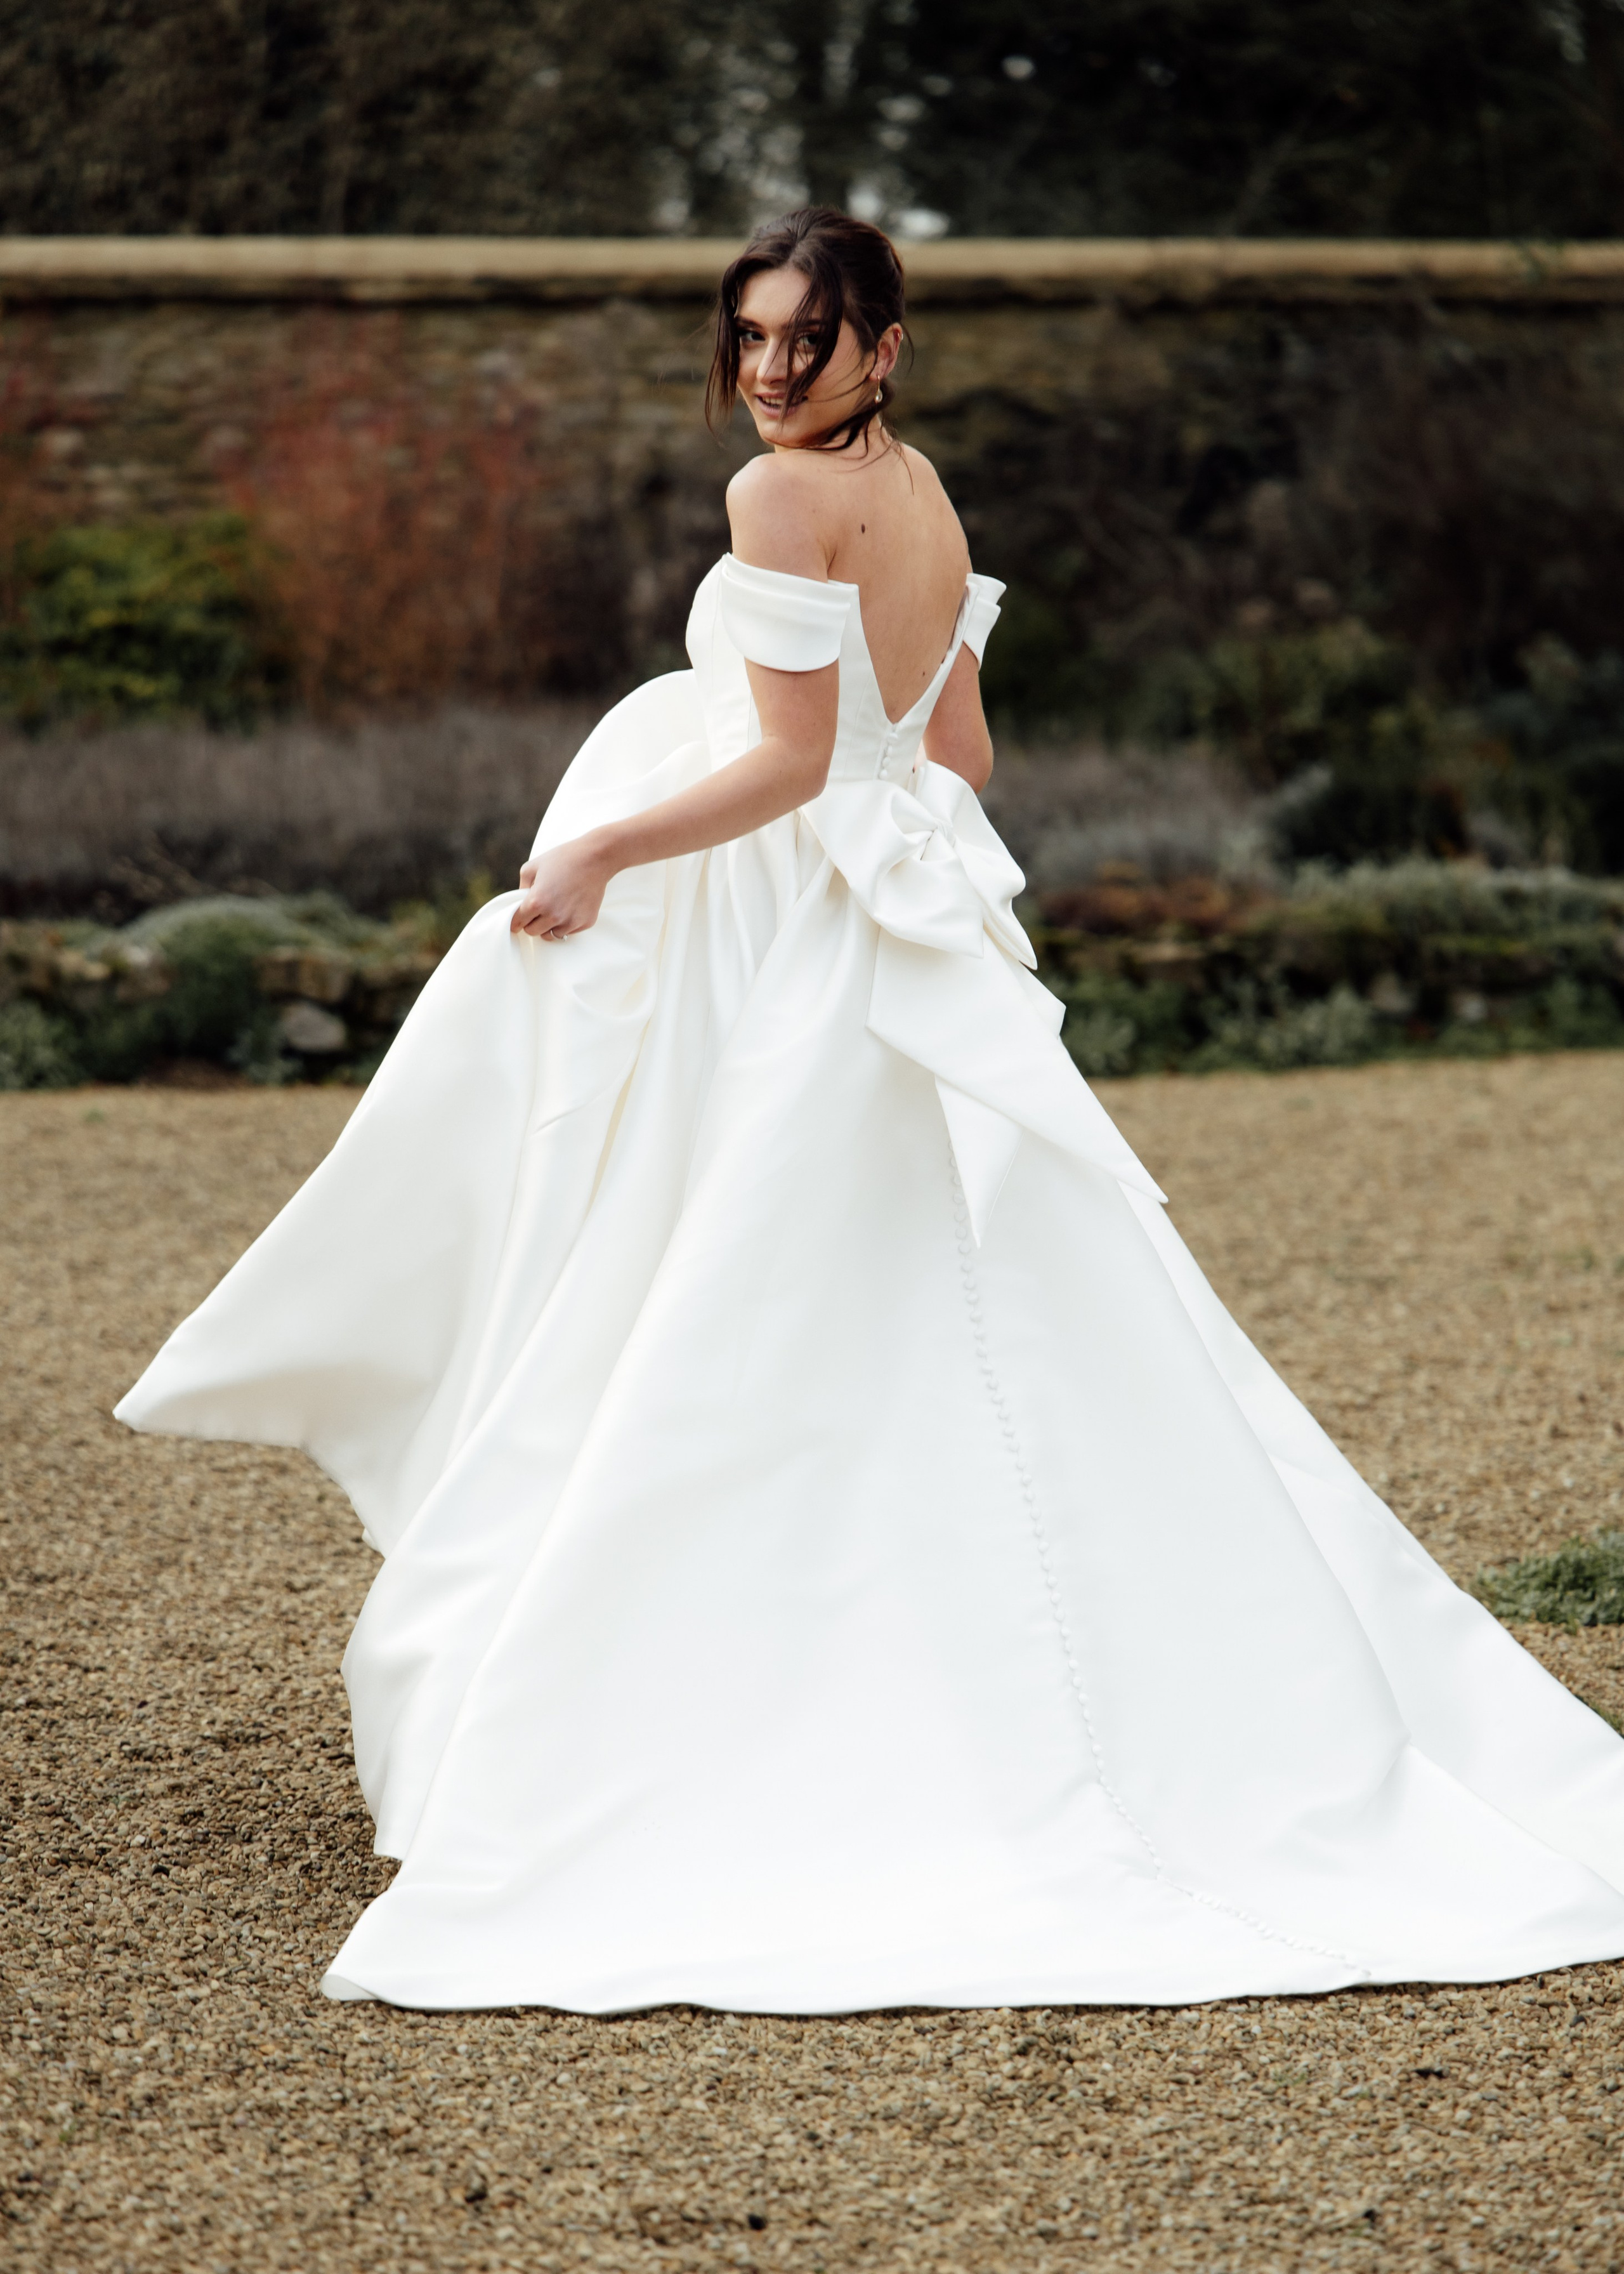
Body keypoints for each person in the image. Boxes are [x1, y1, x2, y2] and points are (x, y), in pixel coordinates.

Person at [118, 209, 1624, 2015]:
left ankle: (738, 1721)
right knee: (956, 1310)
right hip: (902, 924)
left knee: (748, 1306)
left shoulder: (779, 505)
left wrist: (603, 838)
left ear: (881, 346)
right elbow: (954, 759)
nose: (770, 372)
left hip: (828, 946)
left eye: (808, 342)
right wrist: (831, 799)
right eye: (750, 339)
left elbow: (792, 760)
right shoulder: (922, 497)